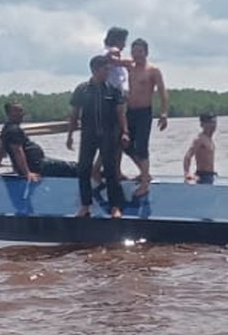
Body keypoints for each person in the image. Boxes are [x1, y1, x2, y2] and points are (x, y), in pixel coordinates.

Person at [67, 54, 128, 217]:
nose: (108, 72)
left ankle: (115, 206)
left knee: (110, 170)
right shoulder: (82, 89)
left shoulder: (113, 90)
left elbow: (121, 114)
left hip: (108, 134)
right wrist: (70, 135)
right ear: (95, 70)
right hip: (88, 135)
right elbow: (74, 114)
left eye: (108, 69)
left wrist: (125, 132)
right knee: (84, 169)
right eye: (105, 69)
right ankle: (85, 205)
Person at [125, 38, 169, 197]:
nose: (137, 55)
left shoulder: (153, 70)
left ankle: (145, 184)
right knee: (125, 144)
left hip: (144, 112)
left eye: (140, 51)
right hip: (130, 111)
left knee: (142, 147)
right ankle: (145, 173)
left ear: (146, 52)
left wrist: (163, 113)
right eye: (134, 52)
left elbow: (163, 92)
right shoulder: (129, 66)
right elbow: (112, 60)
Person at [0, 102, 78, 179]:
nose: (22, 114)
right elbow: (18, 151)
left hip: (38, 163)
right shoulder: (14, 130)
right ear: (9, 113)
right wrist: (27, 173)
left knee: (66, 165)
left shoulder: (6, 128)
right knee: (77, 168)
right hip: (37, 167)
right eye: (18, 111)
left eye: (22, 111)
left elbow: (0, 150)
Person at [184, 113, 219, 184]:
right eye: (210, 123)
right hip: (202, 176)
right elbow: (188, 156)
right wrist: (187, 173)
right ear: (202, 125)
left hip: (210, 175)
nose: (213, 126)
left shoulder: (209, 139)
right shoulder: (199, 139)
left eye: (214, 123)